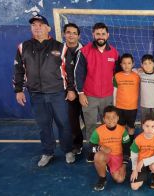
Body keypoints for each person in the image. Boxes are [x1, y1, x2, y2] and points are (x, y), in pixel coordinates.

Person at [13, 14, 75, 167]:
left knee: (64, 123)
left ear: (48, 28)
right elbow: (18, 70)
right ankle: (48, 152)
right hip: (36, 94)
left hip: (57, 93)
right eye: (34, 25)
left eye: (40, 25)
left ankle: (68, 150)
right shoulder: (23, 47)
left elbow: (70, 71)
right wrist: (18, 90)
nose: (37, 28)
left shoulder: (61, 46)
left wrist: (71, 89)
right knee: (43, 125)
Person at [75, 22, 120, 162]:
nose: (100, 36)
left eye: (103, 34)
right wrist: (81, 93)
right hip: (90, 96)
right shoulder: (84, 51)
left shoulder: (114, 52)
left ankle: (108, 148)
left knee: (108, 125)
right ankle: (93, 151)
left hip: (107, 96)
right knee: (91, 126)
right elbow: (78, 74)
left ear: (108, 35)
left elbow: (119, 73)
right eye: (98, 34)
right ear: (93, 35)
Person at [89, 106, 130, 191]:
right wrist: (100, 147)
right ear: (103, 119)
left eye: (114, 117)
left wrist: (124, 165)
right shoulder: (98, 131)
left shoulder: (123, 131)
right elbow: (91, 148)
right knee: (98, 156)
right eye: (107, 118)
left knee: (120, 179)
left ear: (118, 118)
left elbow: (127, 149)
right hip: (105, 155)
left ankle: (107, 166)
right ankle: (102, 179)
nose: (111, 120)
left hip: (117, 156)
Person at [63, 22, 84, 155]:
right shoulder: (59, 51)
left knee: (89, 120)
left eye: (74, 33)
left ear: (79, 36)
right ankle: (77, 144)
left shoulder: (85, 51)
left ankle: (95, 146)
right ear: (64, 34)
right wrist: (70, 89)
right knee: (73, 120)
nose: (71, 35)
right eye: (68, 32)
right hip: (69, 92)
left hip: (85, 92)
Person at [130, 114, 154, 190]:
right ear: (142, 126)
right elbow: (134, 155)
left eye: (152, 126)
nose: (149, 129)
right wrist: (134, 169)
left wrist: (143, 161)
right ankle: (144, 174)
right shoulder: (138, 139)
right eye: (147, 126)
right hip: (140, 164)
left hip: (153, 162)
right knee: (134, 187)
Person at [113, 53, 140, 144]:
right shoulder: (117, 76)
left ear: (133, 64)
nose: (126, 65)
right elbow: (114, 91)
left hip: (132, 107)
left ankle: (130, 143)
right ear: (120, 64)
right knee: (121, 126)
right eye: (124, 63)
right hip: (119, 107)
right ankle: (122, 143)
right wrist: (114, 105)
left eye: (129, 63)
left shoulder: (137, 76)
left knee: (131, 127)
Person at [138, 54, 154, 126]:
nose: (147, 65)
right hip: (145, 105)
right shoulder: (140, 74)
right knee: (144, 125)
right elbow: (130, 70)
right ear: (141, 65)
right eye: (145, 63)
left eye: (150, 63)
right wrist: (139, 69)